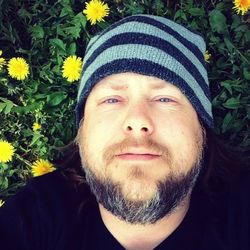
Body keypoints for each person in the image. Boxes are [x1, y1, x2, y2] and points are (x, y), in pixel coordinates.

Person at [0, 14, 249, 250]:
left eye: (164, 99)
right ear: (82, 131)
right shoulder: (35, 216)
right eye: (112, 100)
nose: (137, 120)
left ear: (202, 130)